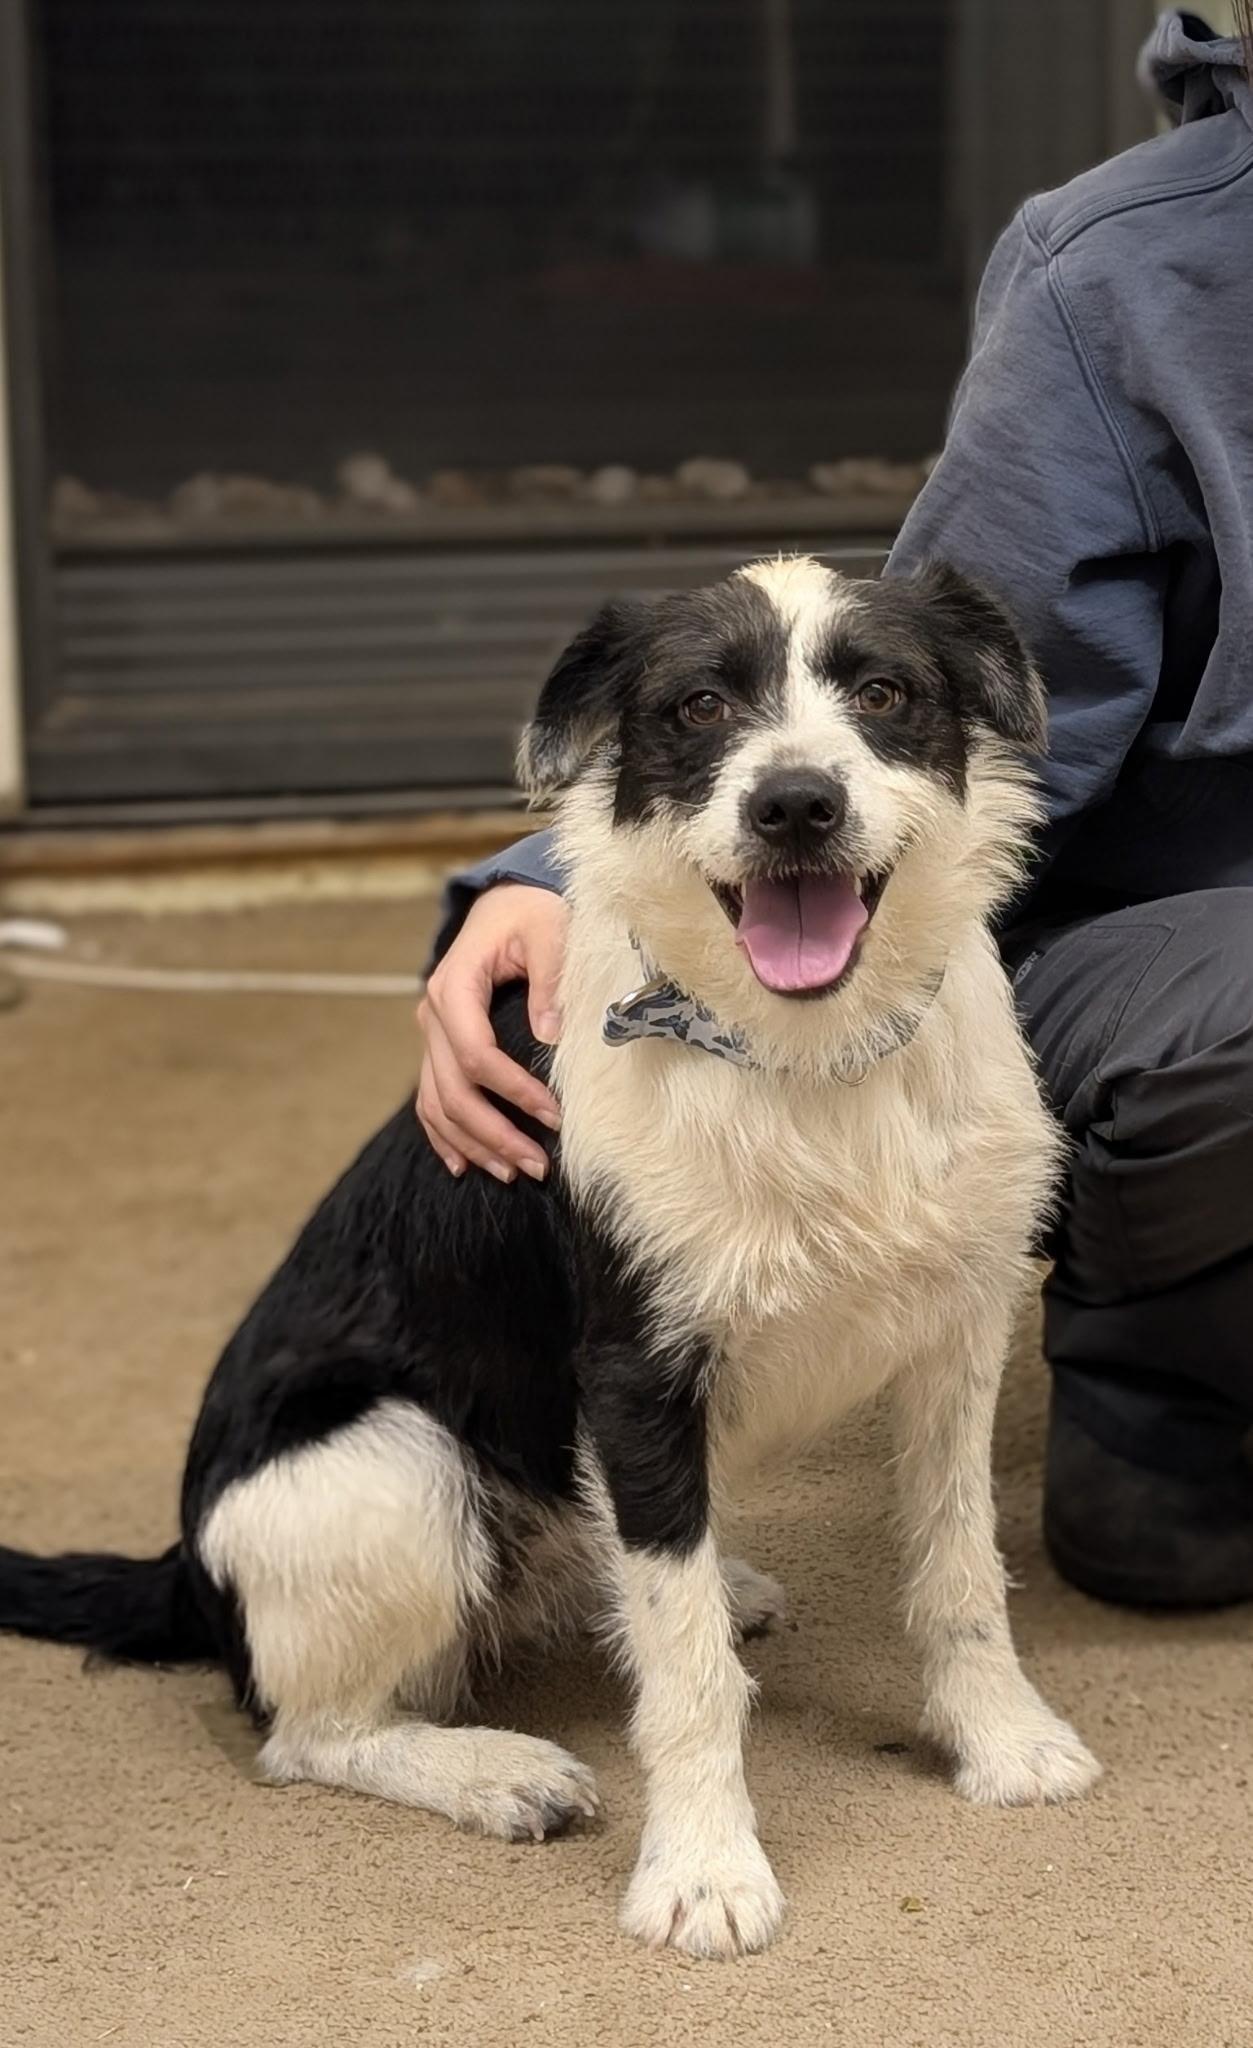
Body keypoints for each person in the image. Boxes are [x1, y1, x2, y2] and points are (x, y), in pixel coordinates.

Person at [416, 11, 1253, 1608]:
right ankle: (1169, 1384)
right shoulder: (1114, 272)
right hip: (1179, 953)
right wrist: (558, 885)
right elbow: (951, 687)